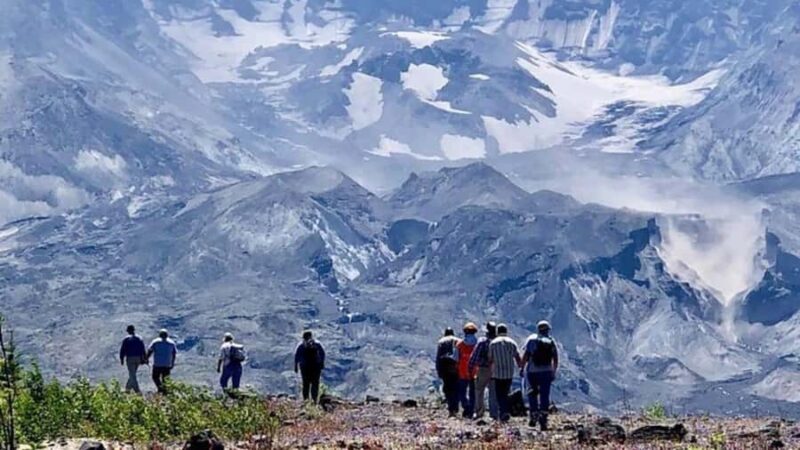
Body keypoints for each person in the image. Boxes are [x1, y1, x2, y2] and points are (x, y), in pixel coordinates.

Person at [522, 320, 559, 430]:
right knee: (544, 395)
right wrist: (553, 371)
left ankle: (533, 416)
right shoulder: (551, 341)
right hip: (547, 371)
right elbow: (555, 359)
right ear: (548, 330)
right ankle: (543, 418)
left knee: (532, 393)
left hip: (532, 371)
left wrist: (521, 366)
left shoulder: (532, 340)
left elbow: (526, 356)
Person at [488, 323, 521, 422]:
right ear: (506, 331)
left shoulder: (493, 343)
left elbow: (490, 359)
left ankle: (503, 412)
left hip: (497, 373)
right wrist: (521, 367)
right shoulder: (512, 343)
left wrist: (490, 371)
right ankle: (504, 411)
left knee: (499, 394)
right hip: (509, 373)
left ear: (497, 332)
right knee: (506, 392)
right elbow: (517, 357)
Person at [469, 321, 498, 420]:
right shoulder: (497, 342)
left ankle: (479, 412)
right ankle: (494, 414)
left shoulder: (482, 341)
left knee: (479, 390)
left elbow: (474, 356)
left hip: (483, 369)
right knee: (493, 392)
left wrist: (470, 367)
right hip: (495, 370)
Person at [435, 327, 461, 417]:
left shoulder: (441, 341)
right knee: (456, 388)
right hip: (456, 368)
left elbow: (438, 357)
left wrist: (439, 370)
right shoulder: (459, 341)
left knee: (447, 388)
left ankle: (451, 408)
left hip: (445, 368)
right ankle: (456, 407)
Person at [294, 331, 325, 403]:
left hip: (305, 367)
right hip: (316, 366)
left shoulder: (301, 345)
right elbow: (322, 353)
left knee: (306, 384)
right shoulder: (317, 344)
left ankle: (306, 401)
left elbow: (297, 356)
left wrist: (296, 366)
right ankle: (315, 400)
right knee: (315, 383)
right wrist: (322, 363)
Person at [456, 323, 479, 418]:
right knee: (473, 393)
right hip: (475, 372)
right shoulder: (478, 344)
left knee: (461, 392)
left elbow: (456, 358)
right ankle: (471, 410)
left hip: (462, 372)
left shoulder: (460, 344)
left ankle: (466, 406)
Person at [146, 329, 177, 394]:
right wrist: (172, 363)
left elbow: (150, 350)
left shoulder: (155, 342)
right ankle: (165, 391)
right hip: (167, 364)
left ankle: (160, 388)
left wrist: (146, 358)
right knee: (165, 379)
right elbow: (174, 354)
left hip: (158, 364)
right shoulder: (171, 343)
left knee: (155, 377)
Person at [119, 325, 147, 394]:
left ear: (128, 330)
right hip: (138, 358)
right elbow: (143, 349)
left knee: (132, 375)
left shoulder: (126, 339)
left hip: (130, 358)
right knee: (132, 374)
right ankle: (127, 389)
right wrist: (144, 358)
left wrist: (122, 359)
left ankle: (137, 391)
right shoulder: (139, 338)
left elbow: (122, 350)